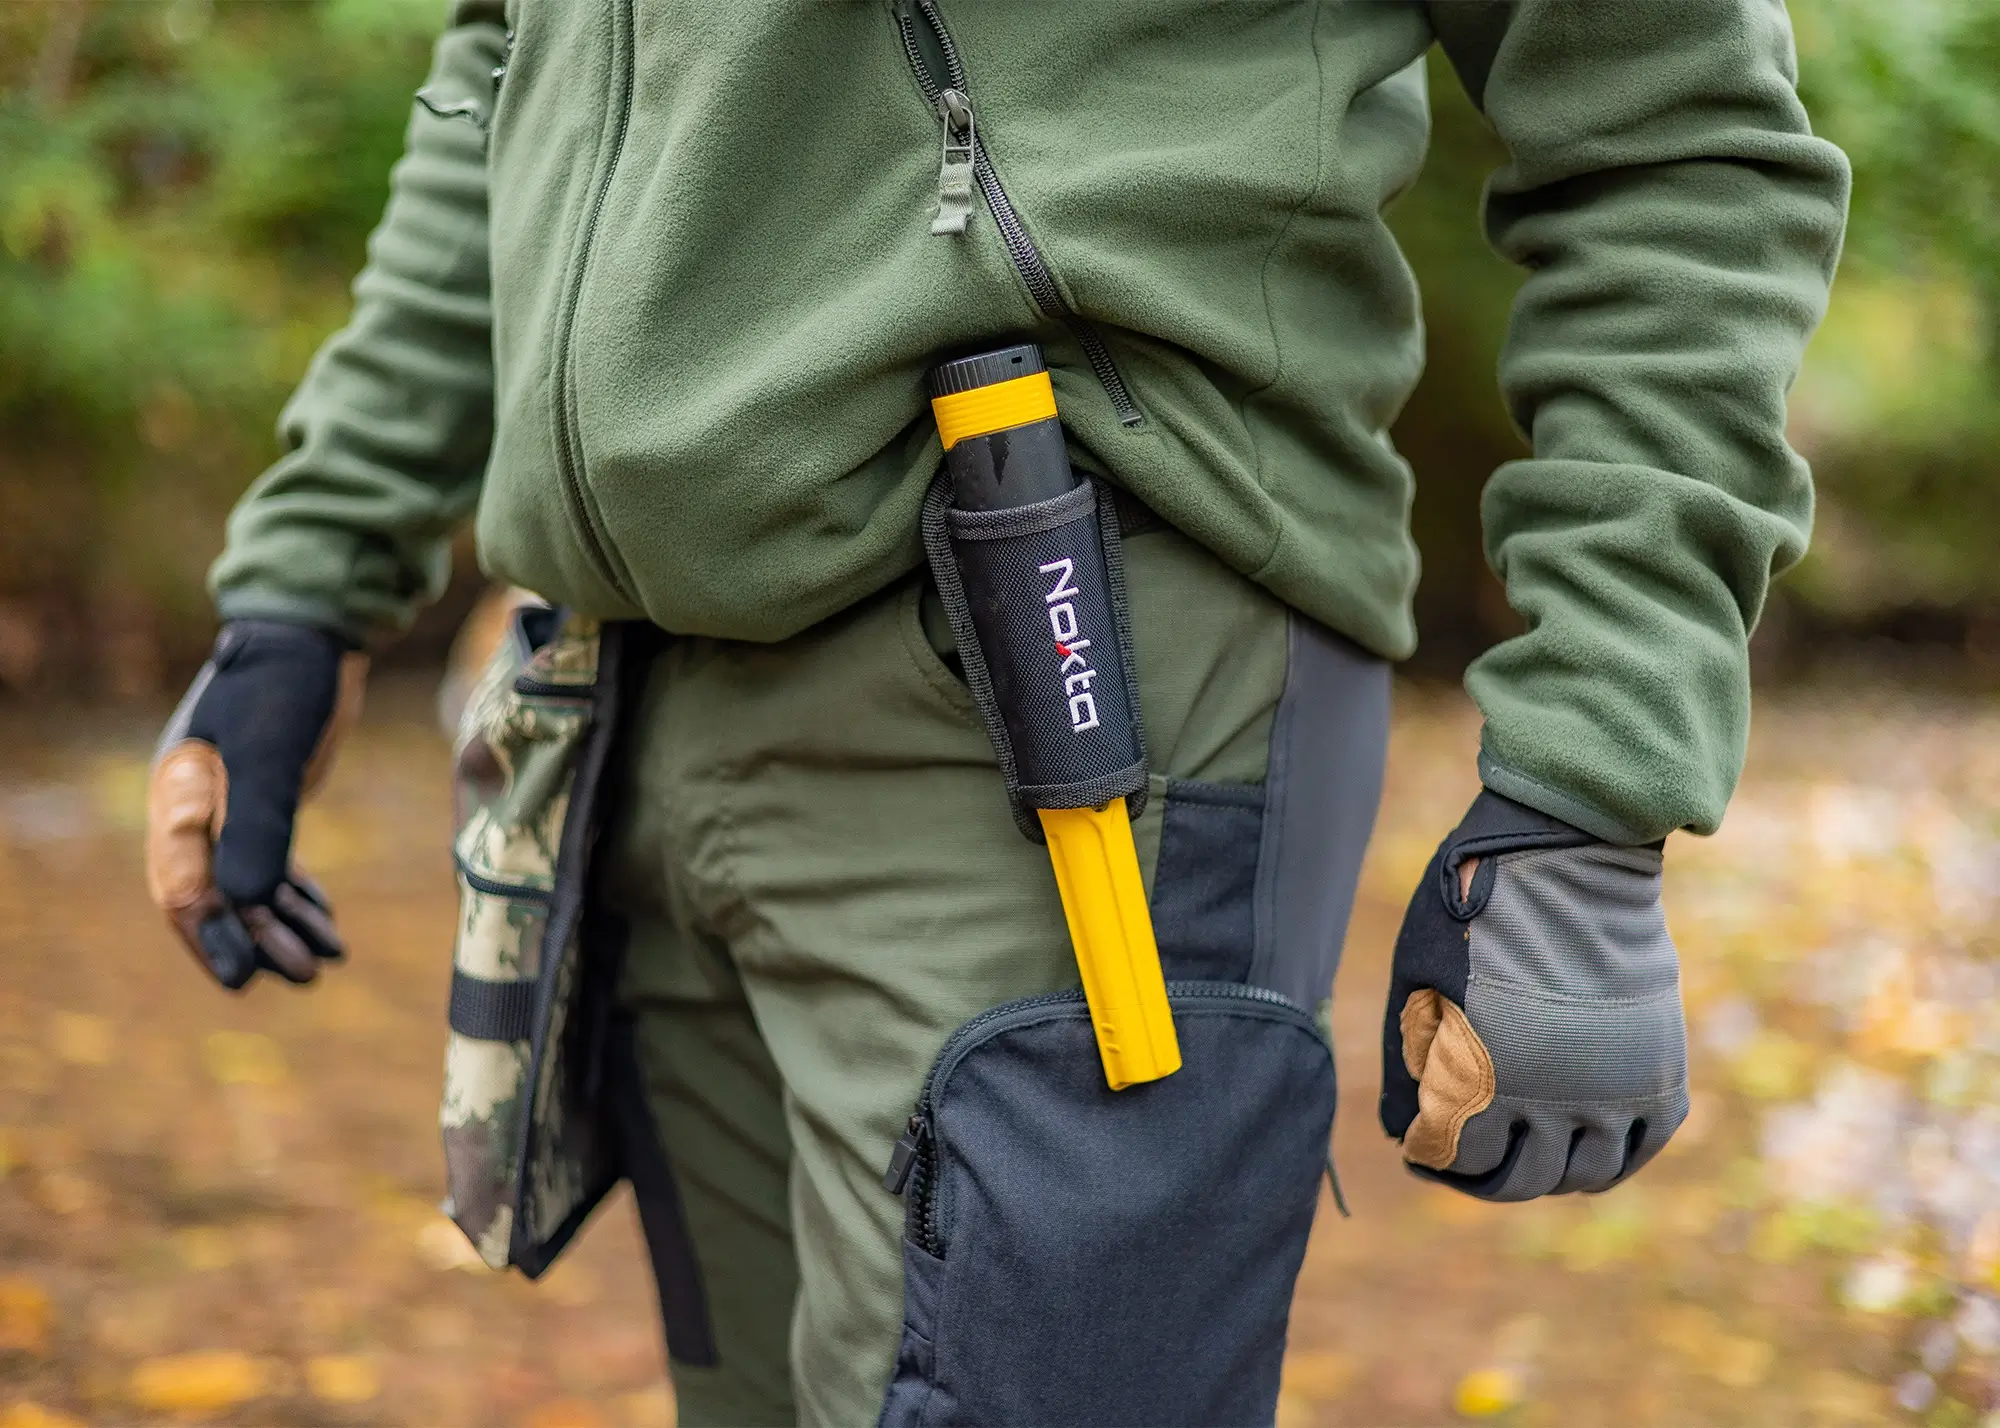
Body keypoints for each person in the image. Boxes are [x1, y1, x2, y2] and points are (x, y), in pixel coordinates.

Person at [142, 3, 1849, 1424]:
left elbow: (1670, 110)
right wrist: (307, 584)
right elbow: (509, 66)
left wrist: (1597, 766)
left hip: (1076, 676)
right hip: (635, 704)